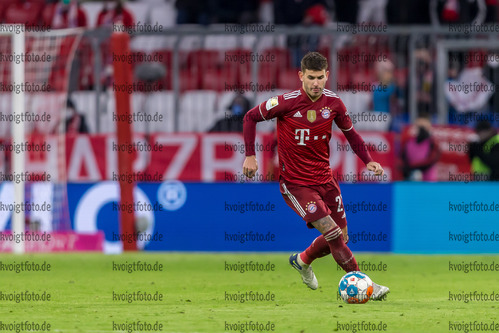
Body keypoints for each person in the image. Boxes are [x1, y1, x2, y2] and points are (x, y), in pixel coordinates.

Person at [242, 52, 389, 300]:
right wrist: (250, 155)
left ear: (327, 76)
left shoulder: (334, 104)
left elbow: (352, 135)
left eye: (320, 77)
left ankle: (302, 260)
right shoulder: (285, 102)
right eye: (311, 77)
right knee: (332, 233)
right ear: (301, 76)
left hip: (326, 181)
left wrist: (369, 160)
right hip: (297, 184)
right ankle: (366, 285)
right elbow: (250, 117)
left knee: (341, 235)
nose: (316, 83)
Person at [400, 112, 441, 181]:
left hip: (428, 179)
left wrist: (413, 167)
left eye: (423, 127)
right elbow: (402, 158)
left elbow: (431, 160)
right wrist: (406, 170)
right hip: (411, 179)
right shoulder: (408, 142)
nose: (421, 130)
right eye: (419, 127)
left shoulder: (433, 143)